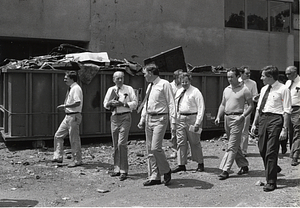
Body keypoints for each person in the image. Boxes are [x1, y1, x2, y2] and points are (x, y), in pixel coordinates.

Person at [250, 65, 291, 192]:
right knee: (262, 148)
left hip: (276, 119)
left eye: (263, 76)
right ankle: (273, 167)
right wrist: (254, 123)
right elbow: (258, 108)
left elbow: (287, 110)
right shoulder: (263, 89)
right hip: (263, 119)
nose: (261, 78)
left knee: (271, 150)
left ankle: (271, 181)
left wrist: (285, 128)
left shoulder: (283, 89)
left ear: (270, 77)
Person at [137, 63, 175, 186]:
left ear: (151, 73)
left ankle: (166, 170)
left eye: (145, 74)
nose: (144, 76)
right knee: (149, 150)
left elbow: (171, 103)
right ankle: (154, 176)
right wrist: (142, 119)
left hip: (160, 118)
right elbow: (146, 104)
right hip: (149, 118)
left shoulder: (164, 84)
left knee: (155, 147)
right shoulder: (150, 86)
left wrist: (173, 120)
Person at [215, 67, 254, 180]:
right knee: (235, 144)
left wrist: (242, 116)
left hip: (237, 118)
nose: (229, 79)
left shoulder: (244, 90)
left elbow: (251, 105)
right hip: (227, 118)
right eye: (228, 77)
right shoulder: (226, 89)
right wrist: (218, 116)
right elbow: (223, 104)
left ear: (238, 77)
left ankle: (225, 169)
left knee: (231, 145)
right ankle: (244, 165)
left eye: (231, 77)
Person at [103, 71, 138, 181]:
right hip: (114, 117)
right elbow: (105, 104)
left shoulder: (129, 89)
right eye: (117, 78)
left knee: (122, 143)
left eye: (121, 78)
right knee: (115, 144)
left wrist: (123, 104)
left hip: (125, 116)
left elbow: (135, 103)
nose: (120, 80)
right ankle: (116, 168)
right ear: (113, 79)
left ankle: (124, 170)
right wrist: (110, 104)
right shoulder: (111, 90)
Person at [171, 72, 205, 173]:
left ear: (190, 81)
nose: (184, 83)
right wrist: (175, 119)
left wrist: (198, 123)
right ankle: (181, 164)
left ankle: (200, 163)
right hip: (180, 118)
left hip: (192, 118)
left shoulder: (195, 92)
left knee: (194, 142)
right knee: (181, 142)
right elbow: (175, 105)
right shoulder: (179, 91)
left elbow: (201, 107)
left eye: (186, 81)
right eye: (182, 82)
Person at [52, 71, 83, 168]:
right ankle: (58, 156)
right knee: (58, 135)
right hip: (68, 116)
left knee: (74, 139)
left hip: (73, 116)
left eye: (66, 78)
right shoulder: (72, 88)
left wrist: (65, 105)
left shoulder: (76, 89)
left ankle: (77, 160)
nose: (64, 80)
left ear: (72, 78)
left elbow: (78, 102)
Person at [238, 66, 258, 156]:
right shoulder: (236, 81)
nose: (249, 75)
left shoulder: (252, 83)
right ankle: (235, 149)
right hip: (236, 107)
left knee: (244, 130)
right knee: (235, 129)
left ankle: (243, 150)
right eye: (246, 73)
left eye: (249, 73)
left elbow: (254, 96)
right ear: (241, 74)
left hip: (246, 107)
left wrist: (255, 98)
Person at [285, 66, 300, 166]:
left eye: (288, 74)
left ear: (294, 73)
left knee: (297, 132)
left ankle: (295, 155)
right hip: (288, 109)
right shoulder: (287, 83)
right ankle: (293, 151)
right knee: (290, 132)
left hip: (298, 109)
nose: (287, 76)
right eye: (286, 74)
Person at [169, 69, 183, 158]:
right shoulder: (170, 86)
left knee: (183, 133)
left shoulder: (184, 86)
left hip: (182, 113)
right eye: (180, 77)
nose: (182, 79)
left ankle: (184, 151)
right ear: (176, 77)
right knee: (174, 132)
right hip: (173, 113)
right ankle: (174, 150)